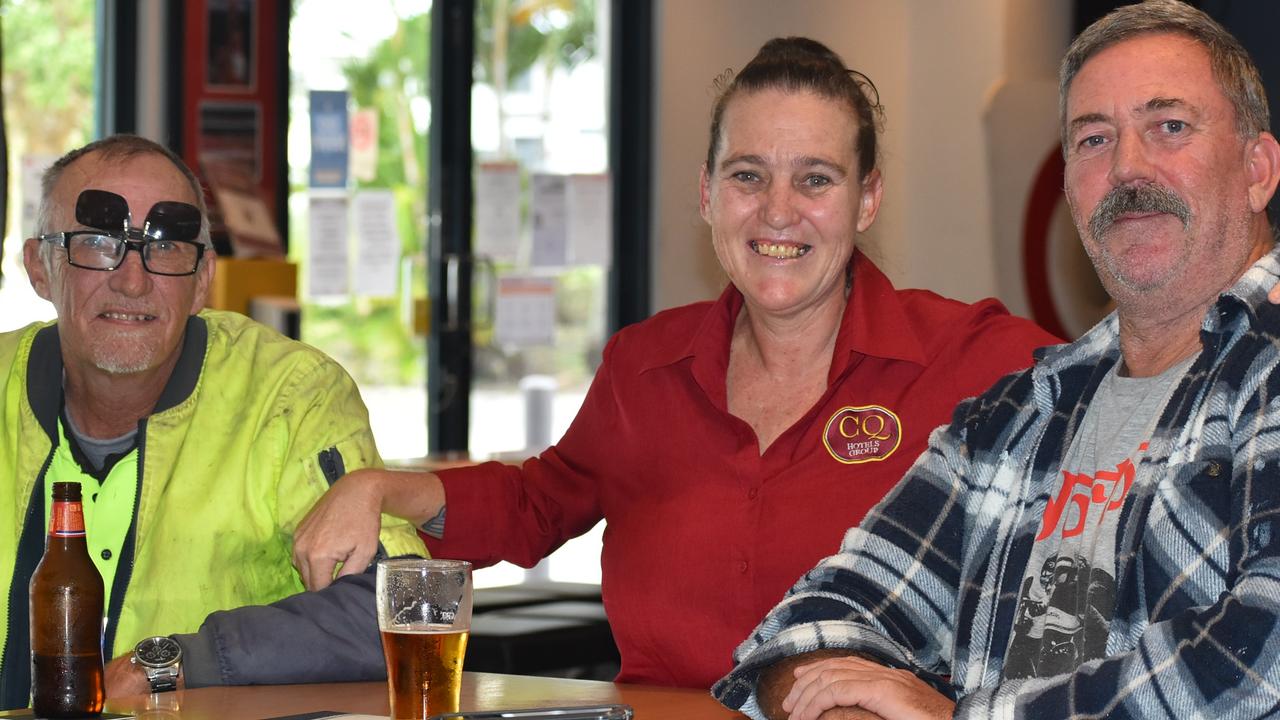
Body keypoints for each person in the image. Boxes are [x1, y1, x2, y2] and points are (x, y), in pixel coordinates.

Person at [286, 37, 1059, 690]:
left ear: (866, 199)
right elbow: (536, 505)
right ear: (707, 194)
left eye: (816, 179)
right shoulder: (643, 366)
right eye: (747, 175)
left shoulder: (970, 359)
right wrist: (380, 488)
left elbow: (1123, 442)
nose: (778, 210)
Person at [712, 3, 1280, 718]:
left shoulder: (1265, 369)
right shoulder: (1016, 414)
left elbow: (1262, 658)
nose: (1129, 167)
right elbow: (814, 621)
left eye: (1170, 126)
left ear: (1258, 169)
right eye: (1094, 138)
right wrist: (851, 704)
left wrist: (960, 717)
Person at [0, 135, 426, 708]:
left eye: (167, 247)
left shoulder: (288, 395)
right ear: (39, 268)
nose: (132, 280)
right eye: (98, 243)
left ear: (203, 280)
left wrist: (178, 662)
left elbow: (403, 611)